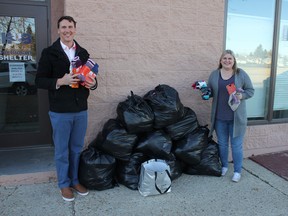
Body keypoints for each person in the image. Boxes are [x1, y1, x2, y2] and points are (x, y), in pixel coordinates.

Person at [35, 16, 97, 201]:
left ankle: (75, 180)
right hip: (60, 111)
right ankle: (64, 184)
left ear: (75, 29)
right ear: (58, 30)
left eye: (70, 27)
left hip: (80, 109)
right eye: (63, 27)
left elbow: (93, 77)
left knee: (76, 148)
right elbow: (39, 80)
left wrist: (92, 84)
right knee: (62, 150)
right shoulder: (50, 53)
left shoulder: (83, 52)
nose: (67, 30)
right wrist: (60, 81)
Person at [206, 49, 254, 182]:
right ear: (220, 61)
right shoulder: (215, 74)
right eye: (224, 58)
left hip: (236, 118)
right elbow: (210, 91)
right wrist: (206, 93)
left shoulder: (240, 74)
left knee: (236, 145)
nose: (227, 61)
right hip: (219, 117)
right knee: (222, 144)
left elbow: (250, 91)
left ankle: (237, 171)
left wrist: (242, 95)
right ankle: (225, 166)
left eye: (230, 59)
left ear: (234, 61)